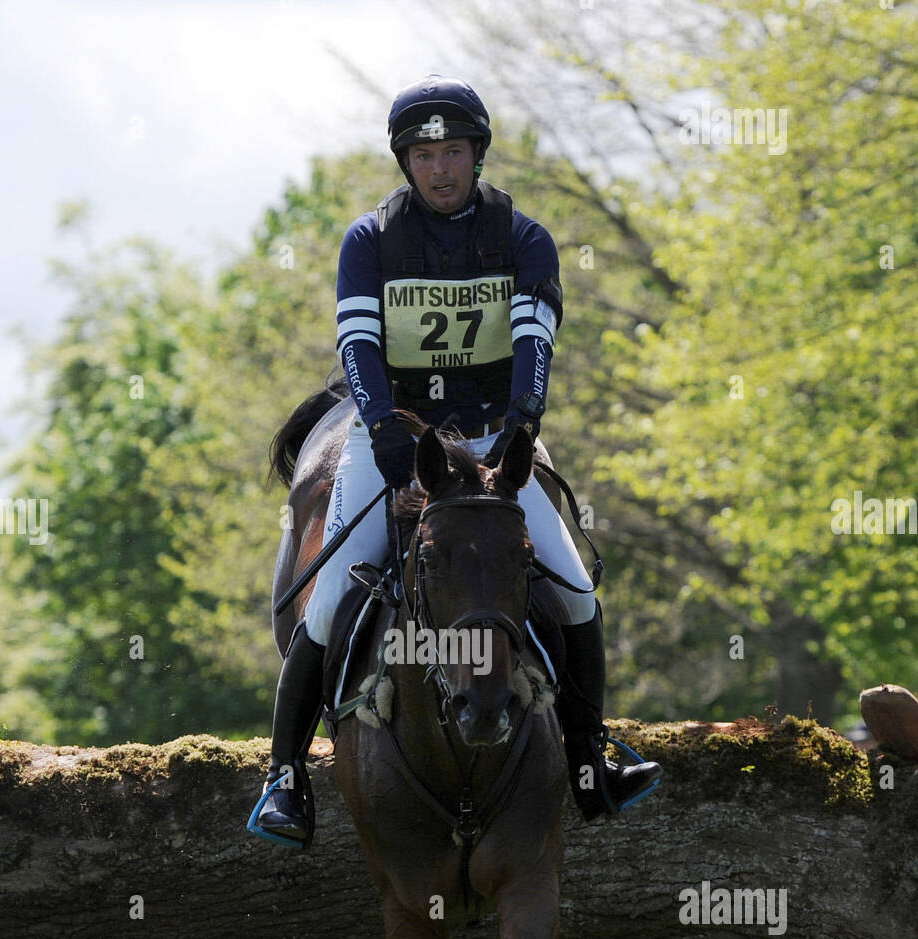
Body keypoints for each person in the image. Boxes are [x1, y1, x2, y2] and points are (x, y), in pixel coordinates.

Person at [250, 76, 661, 847]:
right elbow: (359, 346)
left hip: (490, 435)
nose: (440, 168)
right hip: (395, 436)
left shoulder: (524, 238)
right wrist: (381, 428)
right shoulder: (370, 240)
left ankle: (589, 759)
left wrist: (520, 426)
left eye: (454, 152)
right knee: (335, 591)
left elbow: (533, 344)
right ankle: (284, 776)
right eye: (425, 154)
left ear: (477, 154)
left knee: (573, 590)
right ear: (406, 162)